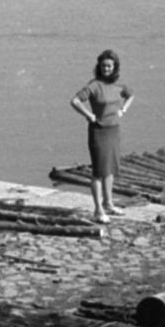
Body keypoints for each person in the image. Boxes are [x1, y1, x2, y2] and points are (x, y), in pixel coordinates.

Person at [70, 49, 134, 224]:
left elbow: (130, 95)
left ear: (114, 67)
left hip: (114, 131)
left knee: (110, 169)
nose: (106, 69)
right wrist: (87, 114)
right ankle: (98, 211)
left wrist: (123, 110)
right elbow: (75, 101)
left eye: (109, 66)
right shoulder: (94, 85)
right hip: (98, 131)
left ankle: (108, 204)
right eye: (103, 66)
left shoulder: (119, 84)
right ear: (99, 66)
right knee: (99, 171)